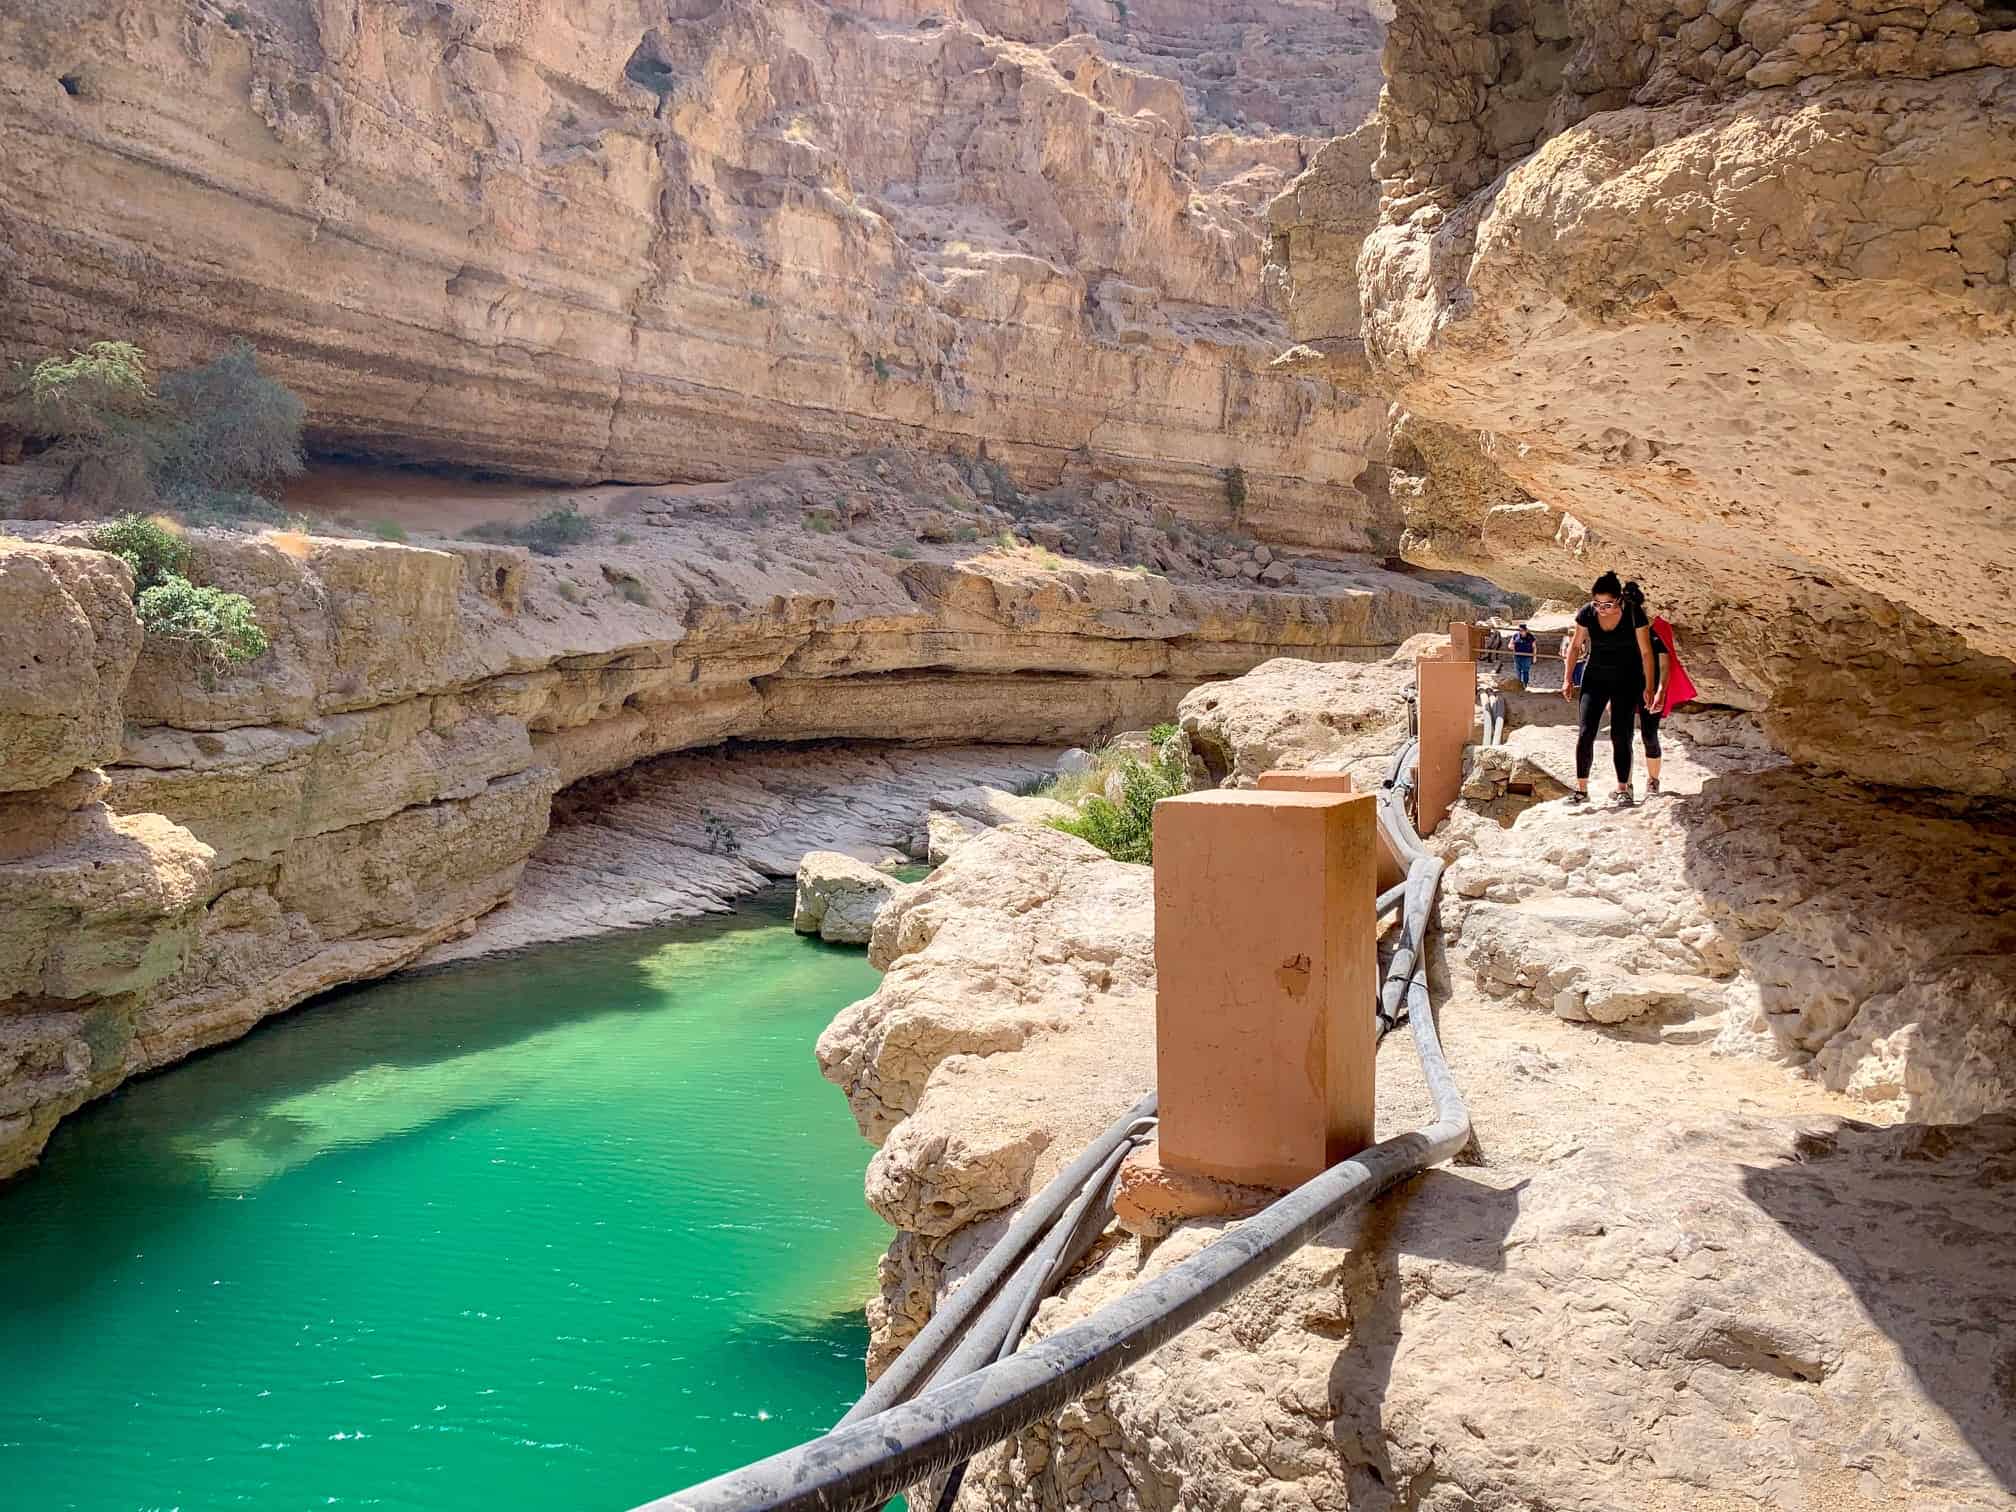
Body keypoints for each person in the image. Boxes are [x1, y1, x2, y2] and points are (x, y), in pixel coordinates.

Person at [1560, 570, 1655, 806]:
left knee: (1620, 735)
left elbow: (1646, 652)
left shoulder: (1634, 613)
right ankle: (1582, 789)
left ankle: (1623, 789)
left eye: (1608, 604)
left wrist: (1650, 686)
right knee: (1585, 733)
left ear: (1619, 600)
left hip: (1627, 679)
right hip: (1595, 679)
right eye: (1597, 603)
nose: (1601, 609)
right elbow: (1574, 646)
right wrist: (1568, 678)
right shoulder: (1587, 613)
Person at [1623, 582, 1666, 796]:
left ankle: (1653, 780)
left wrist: (1660, 690)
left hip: (1649, 688)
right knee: (1624, 736)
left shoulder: (1656, 632)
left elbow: (1665, 666)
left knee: (1649, 735)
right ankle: (1626, 784)